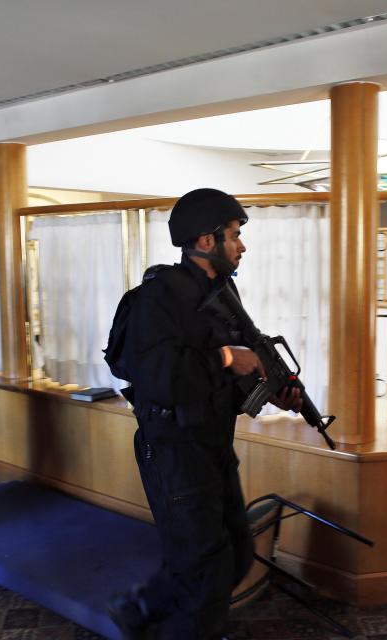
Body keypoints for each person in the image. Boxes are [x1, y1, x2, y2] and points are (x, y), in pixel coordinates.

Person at [107, 188, 301, 639]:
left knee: (236, 553)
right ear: (206, 240)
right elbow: (159, 376)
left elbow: (227, 364)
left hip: (211, 440)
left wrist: (269, 388)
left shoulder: (220, 291)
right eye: (234, 235)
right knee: (206, 567)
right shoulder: (157, 297)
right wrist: (229, 359)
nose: (242, 245)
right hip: (174, 447)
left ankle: (139, 607)